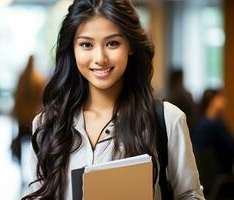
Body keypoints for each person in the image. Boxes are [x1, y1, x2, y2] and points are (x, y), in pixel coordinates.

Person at [22, 0, 204, 199]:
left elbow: (189, 195)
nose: (100, 58)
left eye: (112, 43)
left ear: (131, 46)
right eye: (86, 44)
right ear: (72, 50)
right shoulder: (47, 124)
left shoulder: (167, 120)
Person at [192, 89, 234, 195]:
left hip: (204, 179)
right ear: (213, 101)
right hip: (219, 178)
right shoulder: (215, 124)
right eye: (220, 97)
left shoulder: (200, 121)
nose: (224, 101)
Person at [11, 55, 46, 163]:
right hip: (33, 117)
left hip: (22, 117)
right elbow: (42, 99)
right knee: (36, 142)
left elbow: (16, 96)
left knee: (21, 140)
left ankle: (20, 163)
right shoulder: (38, 78)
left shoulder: (22, 77)